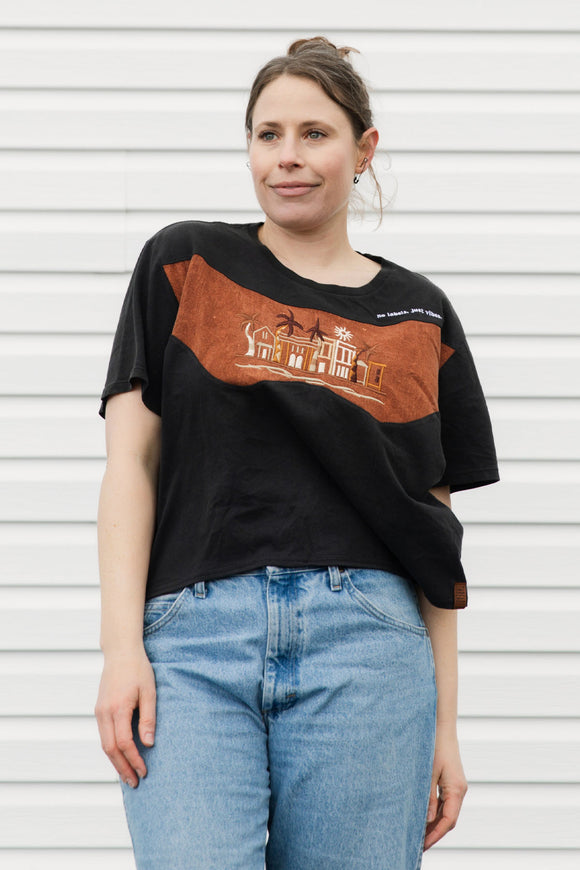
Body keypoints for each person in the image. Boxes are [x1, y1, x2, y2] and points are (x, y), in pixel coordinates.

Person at [95, 36, 499, 870]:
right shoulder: (186, 262)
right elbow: (130, 467)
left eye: (314, 134)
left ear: (363, 149)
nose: (288, 158)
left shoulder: (419, 315)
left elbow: (435, 530)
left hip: (369, 646)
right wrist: (120, 651)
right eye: (266, 134)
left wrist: (446, 727)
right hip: (193, 642)